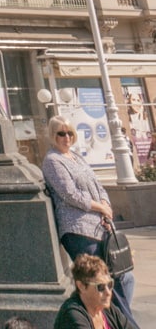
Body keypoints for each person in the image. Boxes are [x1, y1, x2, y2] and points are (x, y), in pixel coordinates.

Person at [42, 116, 138, 328]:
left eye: (69, 133)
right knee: (101, 283)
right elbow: (70, 194)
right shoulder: (52, 161)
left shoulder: (76, 157)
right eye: (61, 133)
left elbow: (98, 185)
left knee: (124, 278)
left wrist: (105, 205)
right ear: (53, 135)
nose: (66, 137)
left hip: (101, 226)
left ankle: (113, 322)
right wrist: (100, 207)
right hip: (78, 229)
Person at [54, 253, 136, 328]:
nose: (108, 292)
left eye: (109, 285)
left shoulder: (108, 309)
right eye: (100, 287)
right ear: (81, 286)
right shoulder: (72, 315)